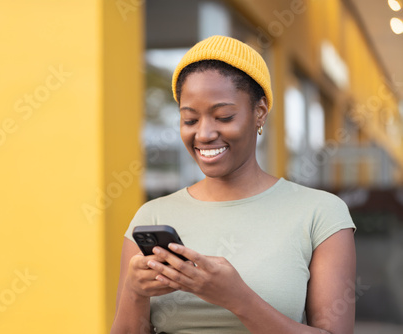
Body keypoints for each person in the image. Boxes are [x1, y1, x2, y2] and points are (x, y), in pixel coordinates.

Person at [111, 35, 356, 334]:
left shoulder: (321, 213)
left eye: (223, 116)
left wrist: (237, 299)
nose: (204, 134)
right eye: (190, 120)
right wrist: (135, 293)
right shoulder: (152, 217)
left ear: (260, 113)